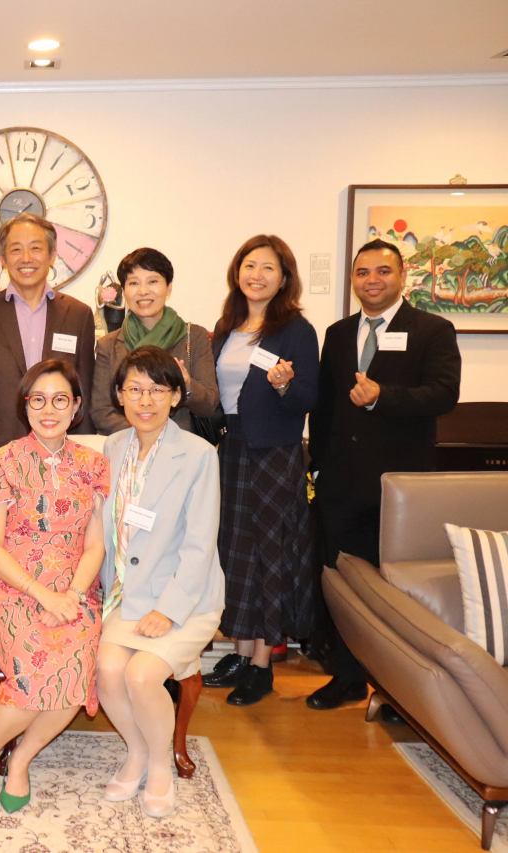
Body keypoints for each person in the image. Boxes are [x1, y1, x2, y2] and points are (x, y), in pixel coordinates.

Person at [306, 239, 460, 712]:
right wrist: (317, 466)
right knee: (344, 585)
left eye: (382, 272)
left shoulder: (432, 329)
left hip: (400, 487)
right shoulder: (337, 333)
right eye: (362, 273)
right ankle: (349, 676)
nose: (372, 280)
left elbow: (443, 394)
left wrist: (381, 397)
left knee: (397, 588)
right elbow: (326, 405)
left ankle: (399, 689)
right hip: (340, 482)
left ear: (401, 276)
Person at [0, 360, 108, 816]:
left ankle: (22, 758)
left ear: (77, 408)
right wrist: (43, 595)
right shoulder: (1, 461)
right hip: (10, 590)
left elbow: (96, 546)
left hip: (75, 591)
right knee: (36, 665)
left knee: (75, 663)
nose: (50, 409)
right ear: (24, 405)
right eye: (39, 399)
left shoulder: (93, 465)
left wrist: (69, 595)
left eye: (61, 399)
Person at [97, 346, 225, 818]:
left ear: (175, 396)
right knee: (107, 670)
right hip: (127, 595)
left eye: (157, 389)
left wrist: (167, 610)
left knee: (142, 675)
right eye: (134, 389)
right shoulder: (112, 448)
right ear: (119, 396)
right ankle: (139, 750)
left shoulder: (199, 455)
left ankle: (159, 767)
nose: (144, 400)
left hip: (185, 598)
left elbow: (200, 545)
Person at [199, 235, 320, 706]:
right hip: (232, 450)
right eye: (250, 265)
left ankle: (263, 665)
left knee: (270, 552)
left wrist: (287, 385)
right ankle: (241, 650)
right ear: (237, 272)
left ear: (284, 277)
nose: (257, 275)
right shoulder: (226, 326)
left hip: (275, 452)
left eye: (268, 268)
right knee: (236, 552)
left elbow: (311, 398)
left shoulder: (296, 330)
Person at [0, 213, 96, 489]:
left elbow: (84, 391)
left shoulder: (78, 314)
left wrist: (84, 452)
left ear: (52, 255)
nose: (26, 258)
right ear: (3, 259)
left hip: (61, 452)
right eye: (15, 249)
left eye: (36, 248)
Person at [91, 248, 219, 435]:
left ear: (168, 288)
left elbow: (210, 404)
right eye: (134, 283)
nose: (143, 291)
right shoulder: (108, 345)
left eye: (152, 281)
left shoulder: (195, 336)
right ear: (124, 290)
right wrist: (148, 434)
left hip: (182, 450)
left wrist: (187, 385)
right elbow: (101, 411)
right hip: (128, 451)